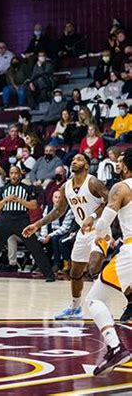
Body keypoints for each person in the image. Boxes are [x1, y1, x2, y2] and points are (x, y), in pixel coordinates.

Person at [23, 153, 109, 319]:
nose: (74, 161)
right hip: (82, 234)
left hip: (99, 230)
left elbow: (110, 202)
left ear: (86, 165)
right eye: (73, 159)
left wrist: (93, 217)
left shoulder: (93, 182)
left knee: (93, 268)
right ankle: (75, 308)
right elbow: (58, 211)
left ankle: (104, 305)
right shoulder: (66, 187)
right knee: (75, 273)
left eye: (79, 159)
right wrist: (37, 225)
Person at [86, 148, 132, 375]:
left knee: (94, 300)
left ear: (124, 166)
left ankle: (115, 348)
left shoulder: (121, 187)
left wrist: (99, 238)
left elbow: (105, 223)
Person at [0, 166, 55, 281]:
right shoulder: (3, 189)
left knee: (34, 246)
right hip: (5, 219)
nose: (14, 176)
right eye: (11, 173)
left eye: (16, 173)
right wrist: (6, 200)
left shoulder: (27, 188)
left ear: (20, 174)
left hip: (21, 219)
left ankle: (49, 274)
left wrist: (19, 200)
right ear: (9, 174)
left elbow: (33, 205)